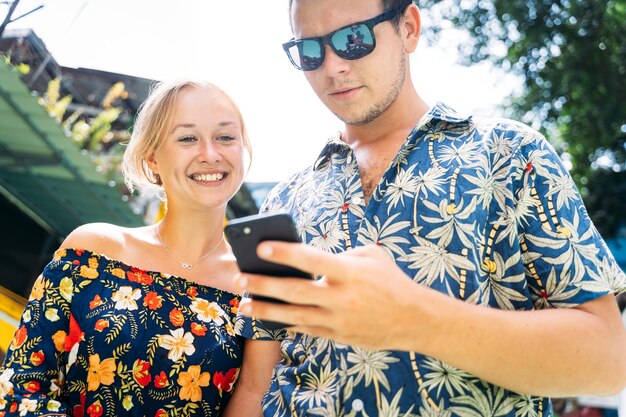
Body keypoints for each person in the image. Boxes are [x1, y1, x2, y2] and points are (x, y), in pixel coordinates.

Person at [233, 0, 626, 416]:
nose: (331, 67)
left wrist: (418, 319)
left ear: (408, 27)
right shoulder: (284, 200)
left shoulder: (510, 154)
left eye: (353, 39)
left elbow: (607, 362)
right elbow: (257, 385)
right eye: (309, 51)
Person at [0, 79, 278, 416]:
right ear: (153, 158)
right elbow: (19, 389)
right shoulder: (91, 250)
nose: (210, 154)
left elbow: (254, 398)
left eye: (226, 137)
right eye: (188, 138)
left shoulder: (258, 282)